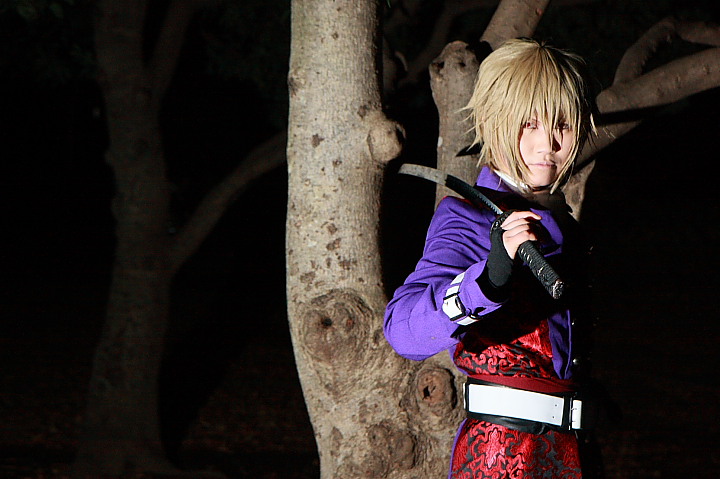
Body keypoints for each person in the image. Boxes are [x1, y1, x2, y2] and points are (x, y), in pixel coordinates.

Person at [384, 38, 597, 478]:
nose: (547, 145)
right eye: (529, 124)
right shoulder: (467, 218)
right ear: (496, 121)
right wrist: (486, 282)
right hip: (501, 457)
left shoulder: (564, 226)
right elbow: (403, 331)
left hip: (573, 455)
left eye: (561, 125)